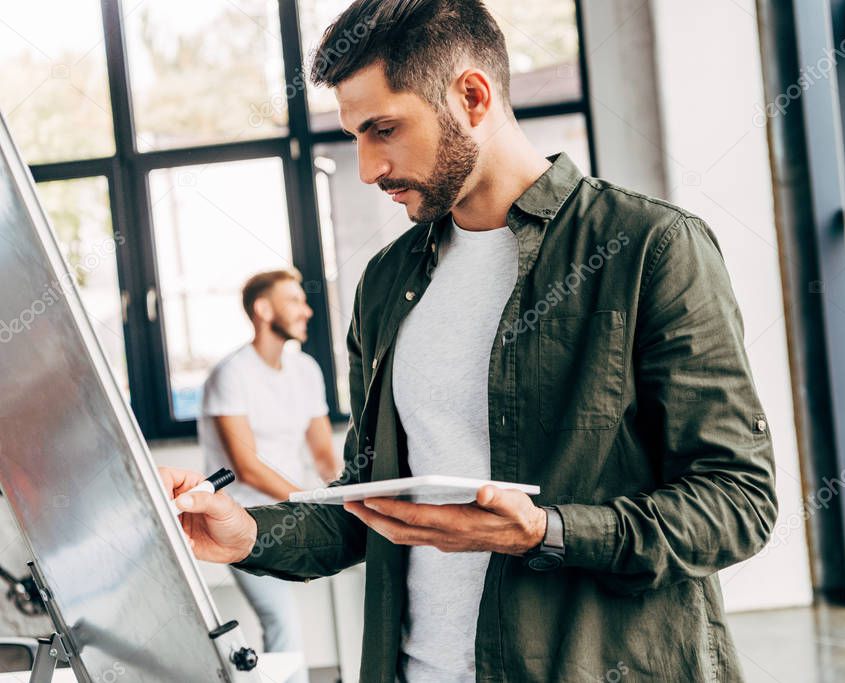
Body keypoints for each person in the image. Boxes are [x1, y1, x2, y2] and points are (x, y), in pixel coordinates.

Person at [161, 1, 778, 680]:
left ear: (472, 96)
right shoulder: (385, 282)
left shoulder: (648, 248)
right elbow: (369, 500)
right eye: (356, 136)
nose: (368, 167)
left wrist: (545, 530)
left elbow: (737, 501)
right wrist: (245, 532)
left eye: (384, 129)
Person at [197, 268, 339, 683]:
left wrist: (351, 496)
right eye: (294, 301)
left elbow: (324, 455)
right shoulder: (232, 374)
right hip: (244, 523)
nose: (307, 310)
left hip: (298, 516)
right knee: (284, 625)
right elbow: (247, 467)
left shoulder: (307, 370)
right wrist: (314, 502)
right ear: (263, 309)